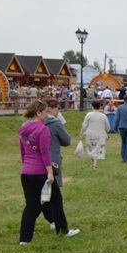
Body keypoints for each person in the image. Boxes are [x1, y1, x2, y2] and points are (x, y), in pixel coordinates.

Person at [18, 100, 54, 244]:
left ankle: (25, 237)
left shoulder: (24, 128)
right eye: (45, 111)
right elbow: (45, 152)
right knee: (37, 204)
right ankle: (26, 237)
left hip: (26, 172)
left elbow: (22, 151)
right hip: (39, 172)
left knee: (31, 204)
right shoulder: (42, 129)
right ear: (38, 112)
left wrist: (25, 165)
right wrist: (50, 172)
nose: (47, 114)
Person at [42, 99, 79, 237]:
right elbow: (67, 140)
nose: (59, 111)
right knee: (53, 195)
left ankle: (49, 220)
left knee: (41, 195)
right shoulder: (54, 123)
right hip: (52, 162)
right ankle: (59, 226)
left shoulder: (32, 124)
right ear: (50, 109)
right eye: (57, 108)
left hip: (34, 164)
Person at [80, 99, 110, 170]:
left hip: (90, 134)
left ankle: (94, 164)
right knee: (97, 149)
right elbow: (108, 127)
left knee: (91, 149)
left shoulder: (89, 115)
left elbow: (84, 125)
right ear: (99, 107)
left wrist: (81, 133)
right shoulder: (103, 116)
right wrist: (106, 132)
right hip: (100, 134)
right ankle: (94, 164)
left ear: (92, 106)